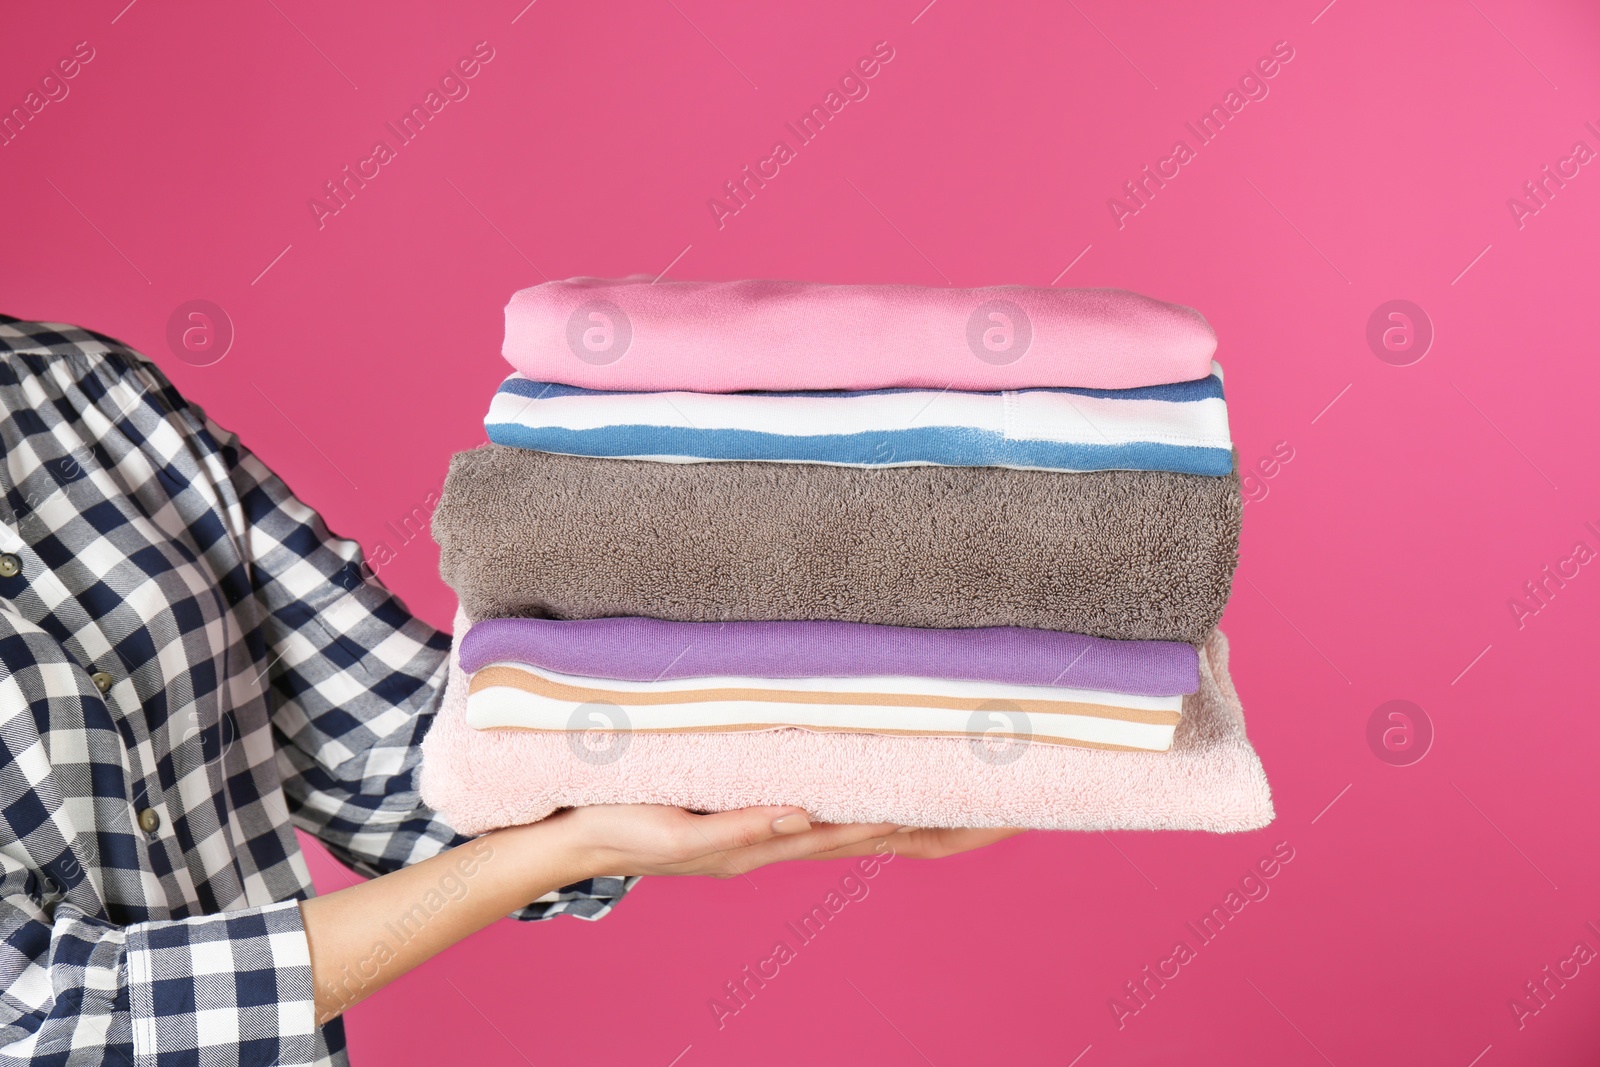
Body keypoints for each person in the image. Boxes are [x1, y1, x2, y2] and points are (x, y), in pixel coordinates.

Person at [0, 316, 1019, 1066]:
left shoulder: (78, 396)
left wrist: (863, 745)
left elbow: (403, 758)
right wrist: (565, 848)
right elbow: (50, 1016)